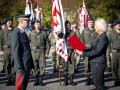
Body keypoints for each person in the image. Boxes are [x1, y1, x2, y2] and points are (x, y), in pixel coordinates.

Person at [77, 18, 109, 90]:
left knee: (99, 84)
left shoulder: (103, 37)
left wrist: (83, 53)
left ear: (100, 27)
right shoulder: (99, 35)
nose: (94, 27)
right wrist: (81, 47)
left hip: (98, 63)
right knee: (96, 82)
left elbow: (97, 51)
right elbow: (93, 47)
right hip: (95, 62)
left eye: (96, 26)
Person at [11, 14, 34, 90]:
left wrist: (30, 64)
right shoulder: (16, 33)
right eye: (27, 21)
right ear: (21, 21)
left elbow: (27, 50)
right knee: (20, 87)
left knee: (23, 87)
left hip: (26, 65)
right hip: (21, 67)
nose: (28, 23)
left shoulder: (23, 33)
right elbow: (15, 52)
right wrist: (19, 67)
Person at [29, 19, 50, 86]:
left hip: (42, 52)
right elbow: (27, 43)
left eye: (39, 24)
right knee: (34, 66)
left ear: (40, 25)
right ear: (34, 25)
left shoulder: (44, 33)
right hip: (33, 52)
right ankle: (36, 80)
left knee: (42, 66)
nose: (37, 25)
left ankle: (41, 80)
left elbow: (47, 44)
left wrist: (46, 52)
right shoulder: (31, 33)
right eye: (36, 24)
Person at [80, 17, 98, 85]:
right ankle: (88, 79)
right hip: (86, 50)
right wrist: (82, 47)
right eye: (89, 22)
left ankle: (94, 80)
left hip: (94, 50)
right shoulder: (84, 30)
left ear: (93, 23)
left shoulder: (96, 31)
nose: (91, 24)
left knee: (93, 65)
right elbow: (81, 39)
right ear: (87, 23)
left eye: (92, 22)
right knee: (86, 65)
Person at [60, 20, 76, 86]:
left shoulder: (73, 33)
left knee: (72, 66)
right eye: (66, 25)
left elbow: (76, 44)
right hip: (64, 51)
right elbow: (58, 43)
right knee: (64, 66)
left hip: (71, 51)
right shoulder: (62, 34)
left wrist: (75, 53)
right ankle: (66, 81)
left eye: (69, 25)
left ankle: (71, 81)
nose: (68, 26)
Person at [0, 16, 15, 86]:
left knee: (13, 65)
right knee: (7, 65)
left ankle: (13, 79)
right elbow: (0, 41)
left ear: (12, 22)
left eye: (10, 21)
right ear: (6, 23)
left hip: (13, 50)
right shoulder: (2, 31)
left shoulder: (15, 30)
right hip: (5, 50)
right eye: (8, 21)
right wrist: (1, 50)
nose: (9, 22)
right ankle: (9, 79)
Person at [108, 20, 120, 86]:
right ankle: (115, 79)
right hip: (114, 52)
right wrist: (110, 52)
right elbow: (109, 44)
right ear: (115, 26)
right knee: (114, 66)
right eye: (118, 24)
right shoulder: (111, 33)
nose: (119, 25)